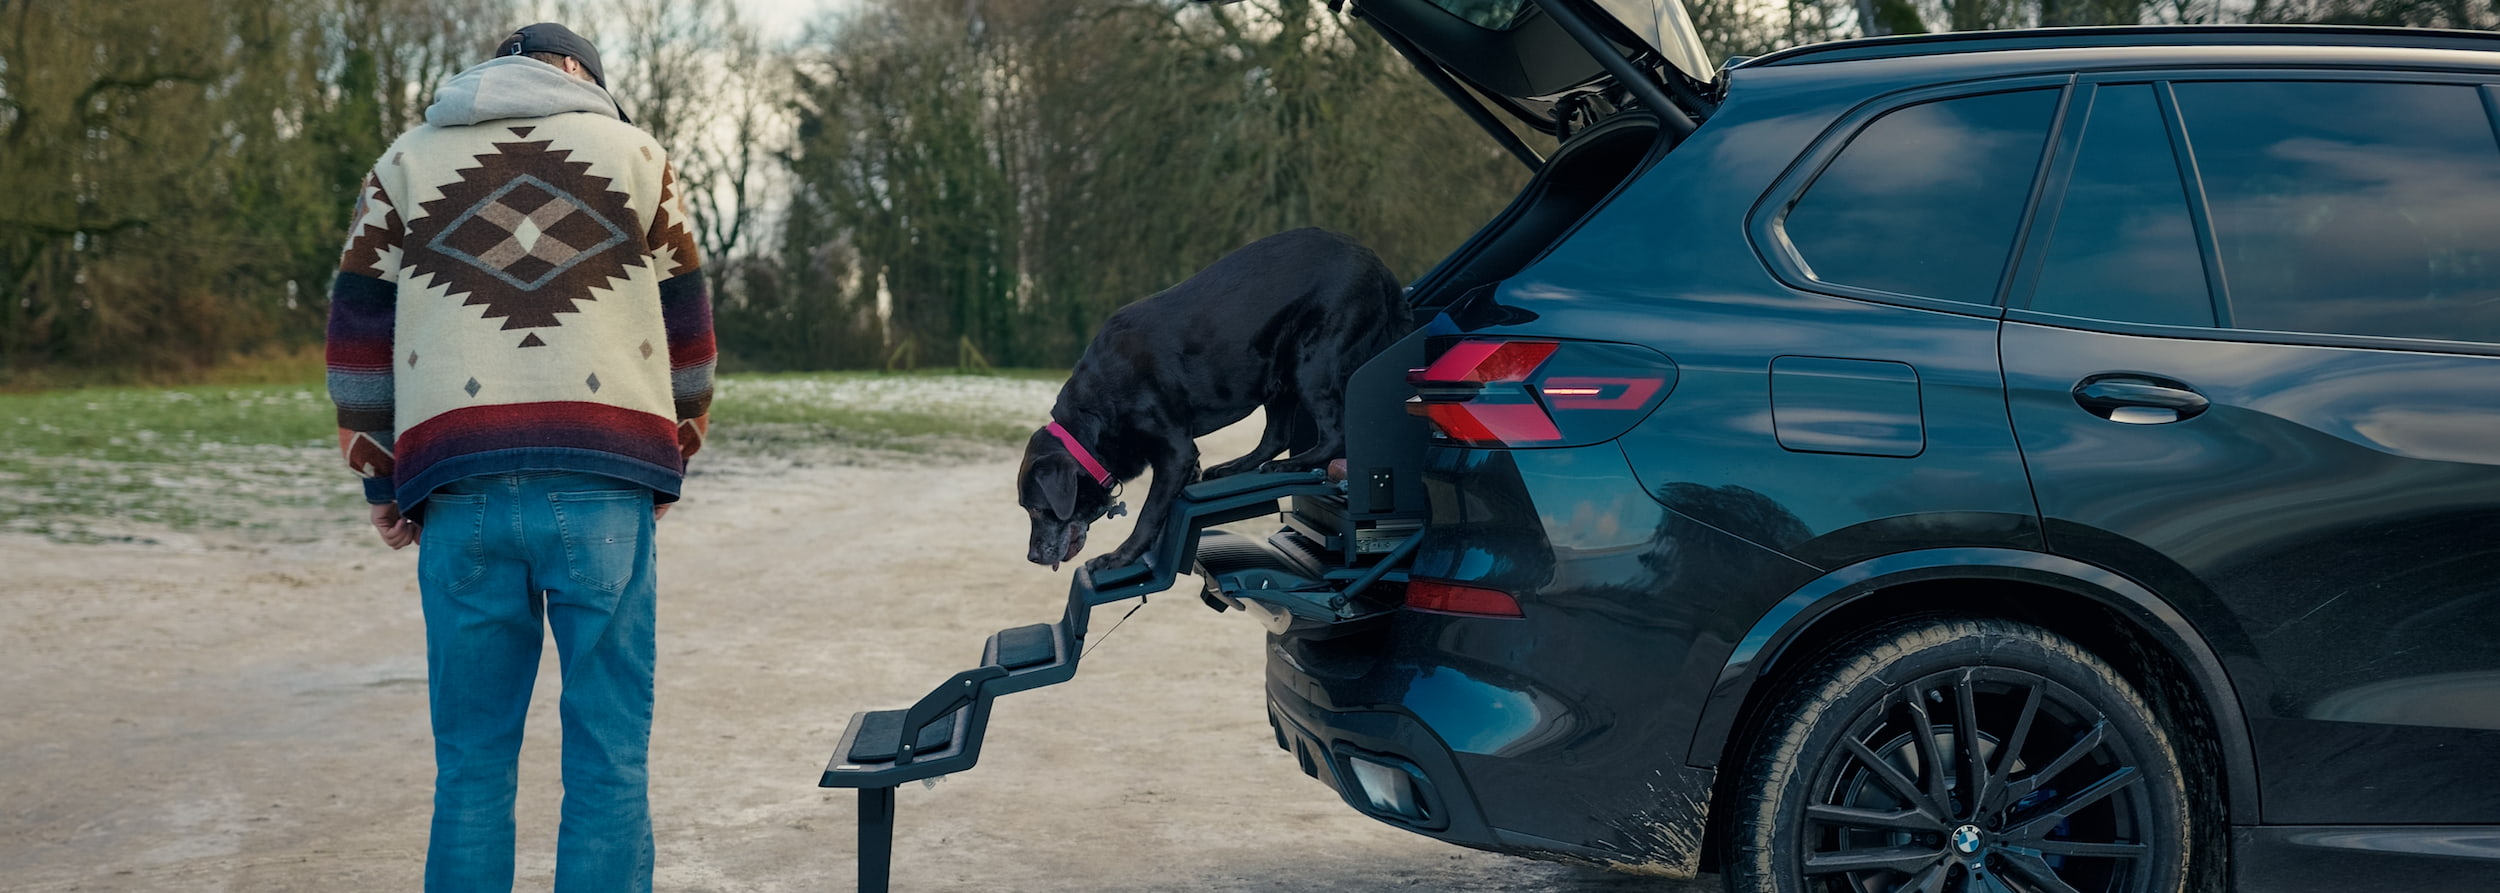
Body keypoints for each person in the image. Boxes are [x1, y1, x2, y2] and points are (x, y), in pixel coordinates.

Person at [323, 22, 712, 893]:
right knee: (610, 762)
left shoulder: (407, 162)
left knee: (471, 767)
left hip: (457, 489)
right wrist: (668, 456)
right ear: (578, 72)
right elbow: (689, 328)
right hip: (605, 482)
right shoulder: (638, 157)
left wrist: (382, 475)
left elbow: (355, 329)